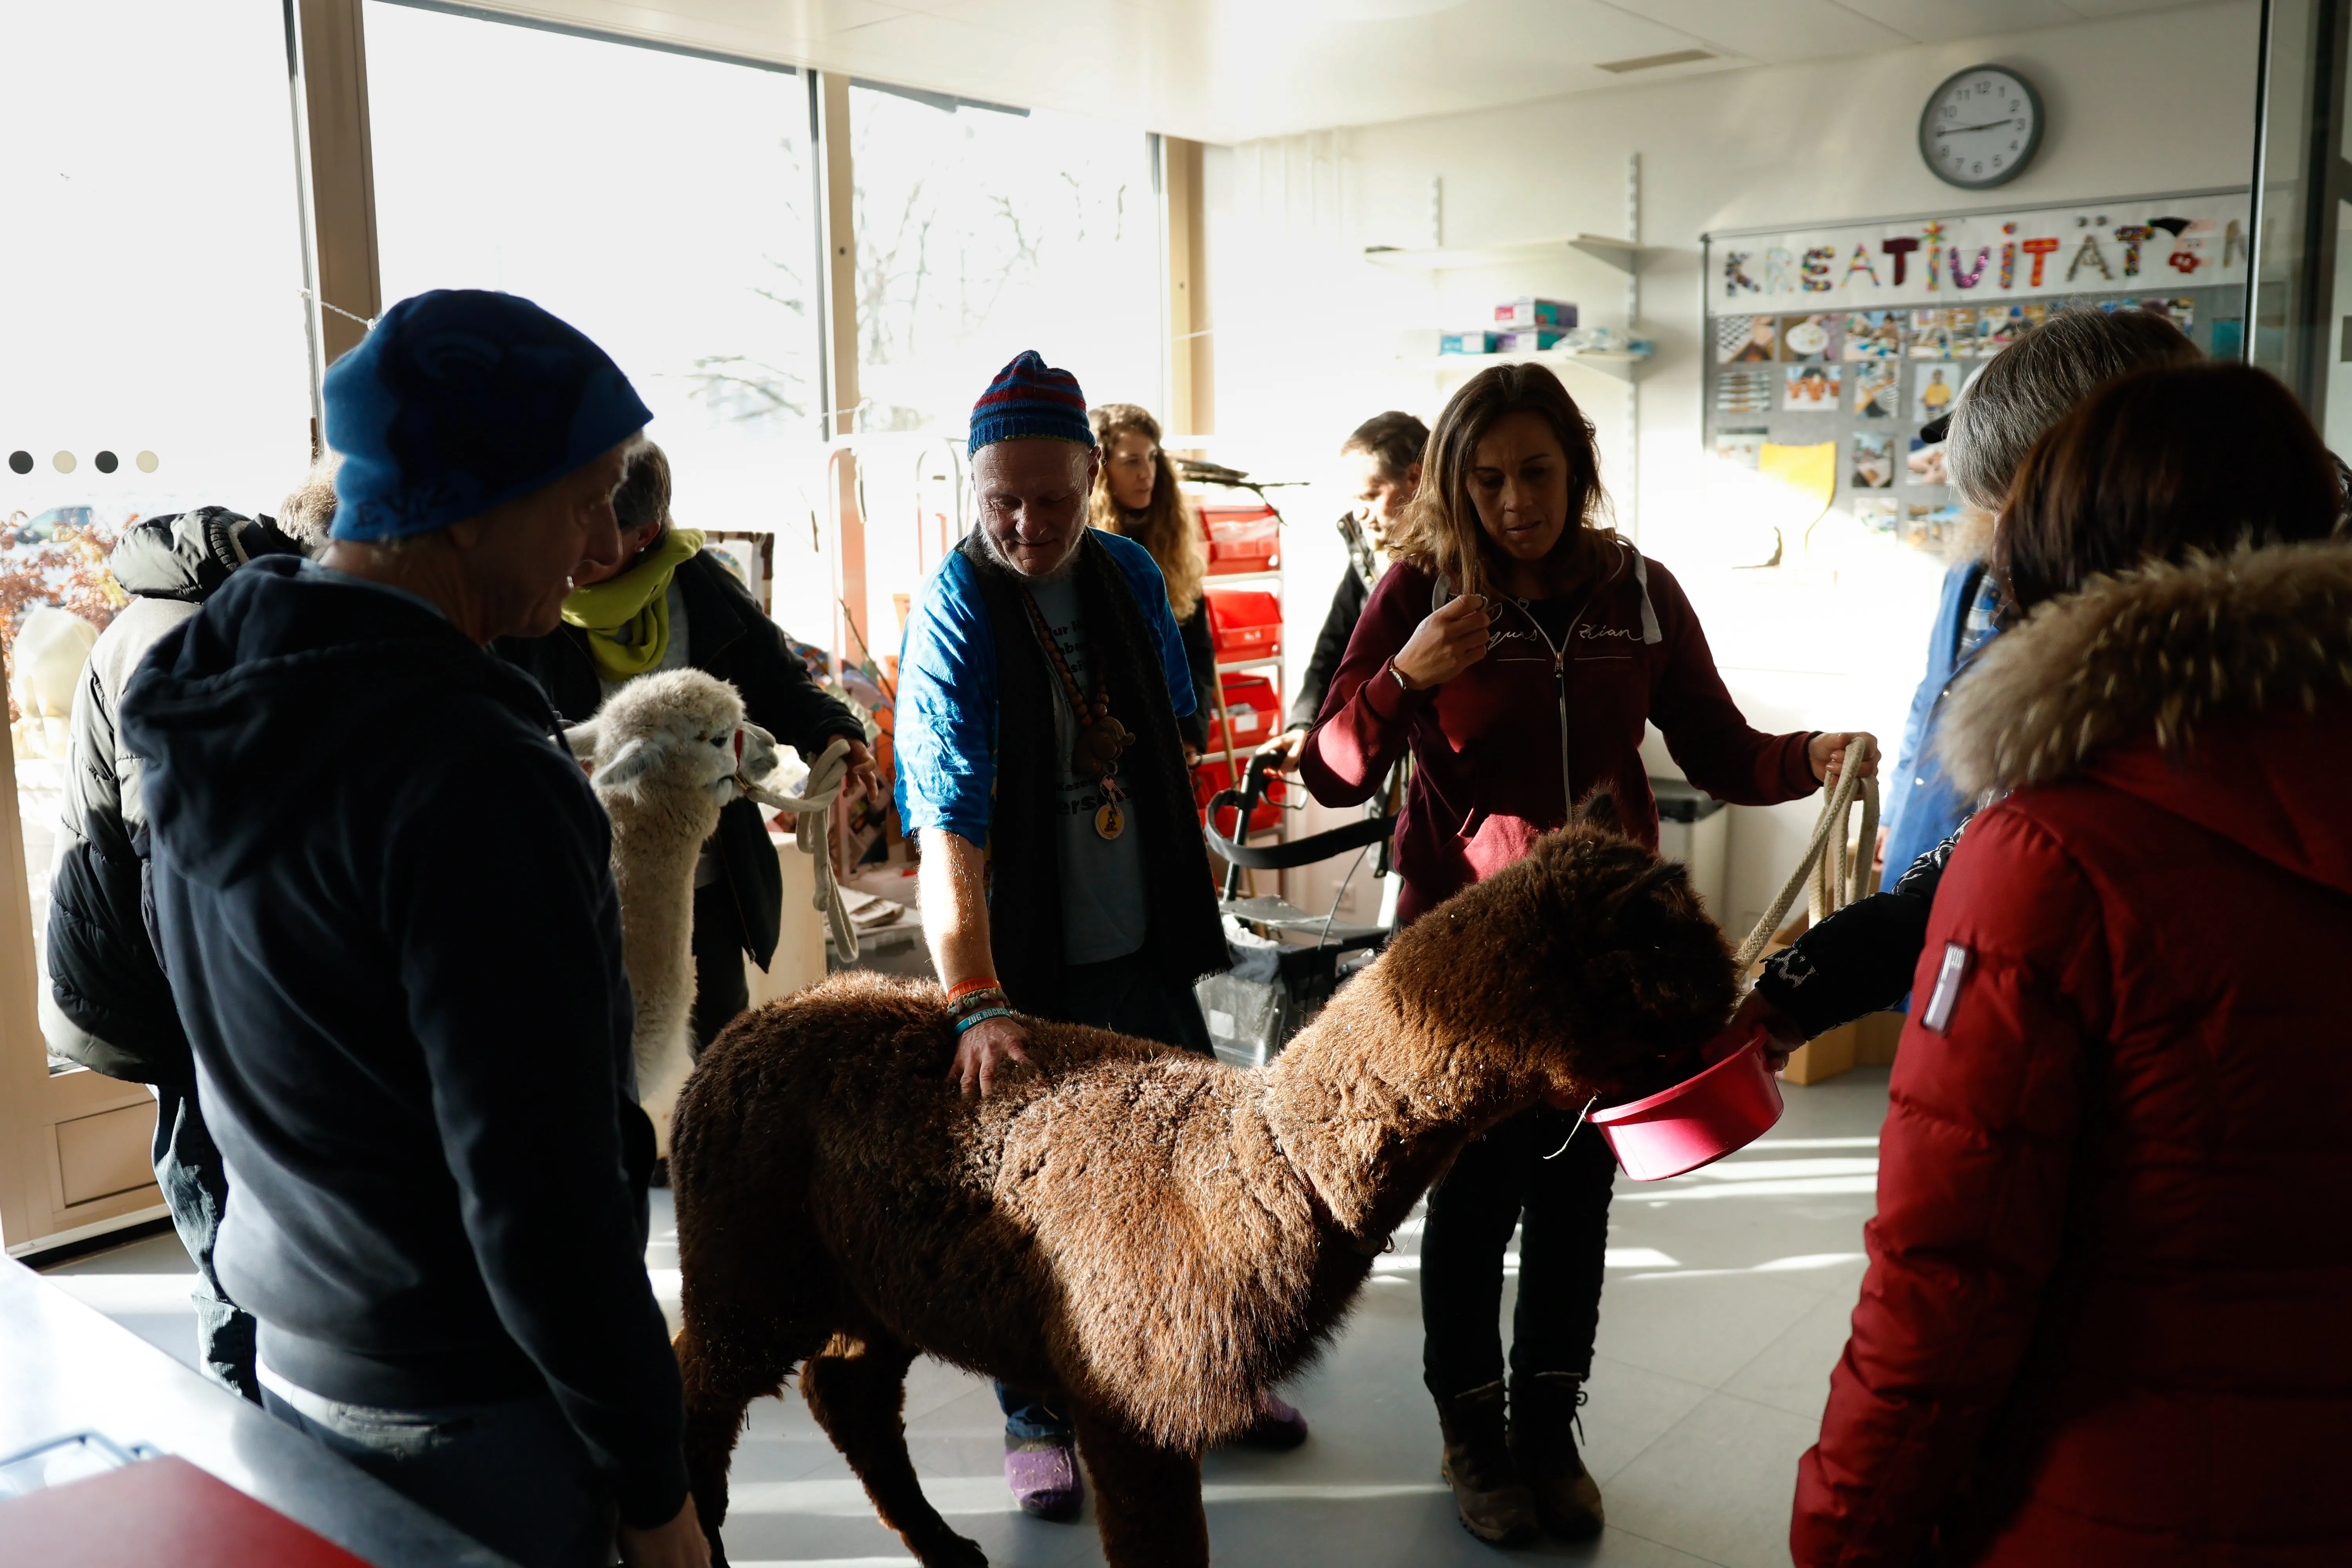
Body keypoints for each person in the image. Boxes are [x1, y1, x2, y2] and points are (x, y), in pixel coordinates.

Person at [118, 289, 707, 1568]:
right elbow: (540, 1197)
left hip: (297, 1361)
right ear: (470, 502)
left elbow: (168, 1020)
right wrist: (657, 1489)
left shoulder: (201, 698)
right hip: (478, 1407)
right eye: (584, 495)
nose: (601, 537)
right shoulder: (473, 772)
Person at [1298, 362, 1873, 1548]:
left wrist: (1806, 755)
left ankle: (1549, 1426)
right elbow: (1329, 767)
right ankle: (1470, 1431)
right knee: (1473, 1198)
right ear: (1456, 481)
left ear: (1576, 469)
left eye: (1538, 473)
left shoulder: (1635, 589)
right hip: (1464, 964)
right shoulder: (1416, 588)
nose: (1516, 501)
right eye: (1490, 477)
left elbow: (1715, 744)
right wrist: (1406, 678)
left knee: (1573, 1194)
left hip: (1607, 954)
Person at [1790, 361, 2352, 1566]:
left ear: (2057, 541)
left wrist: (1841, 1530)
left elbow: (1950, 1272)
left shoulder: (2051, 847)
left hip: (2115, 1499)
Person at [893, 350, 1307, 1523]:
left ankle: (1210, 1376)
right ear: (971, 490)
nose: (1027, 525)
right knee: (1037, 1196)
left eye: (1053, 498)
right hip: (1032, 958)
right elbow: (949, 830)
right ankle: (1037, 1414)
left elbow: (1167, 750)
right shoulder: (957, 609)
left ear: (1095, 479)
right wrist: (974, 996)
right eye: (1000, 502)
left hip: (1145, 942)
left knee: (1193, 1165)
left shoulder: (1128, 575)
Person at [1742, 308, 2200, 1053]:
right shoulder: (2104, 634)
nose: (2005, 542)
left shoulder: (2204, 704)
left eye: (2020, 510)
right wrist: (1804, 987)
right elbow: (1986, 832)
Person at [41, 474, 334, 1401]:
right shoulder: (195, 637)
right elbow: (171, 852)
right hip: (169, 964)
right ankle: (242, 1411)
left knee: (211, 1169)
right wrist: (232, 1012)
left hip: (148, 948)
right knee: (221, 1192)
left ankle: (246, 1394)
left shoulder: (178, 610)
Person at [499, 441, 876, 1056]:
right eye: (566, 523)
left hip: (700, 878)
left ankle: (710, 1151)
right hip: (573, 875)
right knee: (582, 1047)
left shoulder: (701, 589)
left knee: (721, 1043)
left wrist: (834, 734)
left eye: (599, 534)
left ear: (646, 533)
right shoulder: (524, 601)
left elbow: (778, 681)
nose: (574, 552)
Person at [1263, 410, 1426, 773]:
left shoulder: (1457, 563)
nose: (1360, 514)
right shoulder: (1370, 549)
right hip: (1389, 752)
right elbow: (1336, 644)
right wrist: (1304, 724)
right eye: (1354, 498)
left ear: (1415, 478)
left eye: (1370, 495)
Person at [1087, 402, 1216, 755]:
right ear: (1099, 468)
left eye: (1153, 458)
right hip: (1106, 730)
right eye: (1132, 461)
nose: (1147, 473)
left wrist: (1190, 732)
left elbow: (1197, 649)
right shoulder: (1082, 545)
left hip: (1168, 729)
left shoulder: (1169, 539)